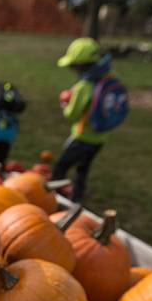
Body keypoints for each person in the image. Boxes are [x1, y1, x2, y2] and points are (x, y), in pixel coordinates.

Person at [53, 38, 128, 202]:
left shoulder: (83, 87)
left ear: (80, 66)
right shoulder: (106, 78)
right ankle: (76, 198)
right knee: (83, 169)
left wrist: (65, 104)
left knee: (61, 167)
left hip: (81, 137)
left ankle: (55, 197)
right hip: (100, 138)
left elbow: (72, 115)